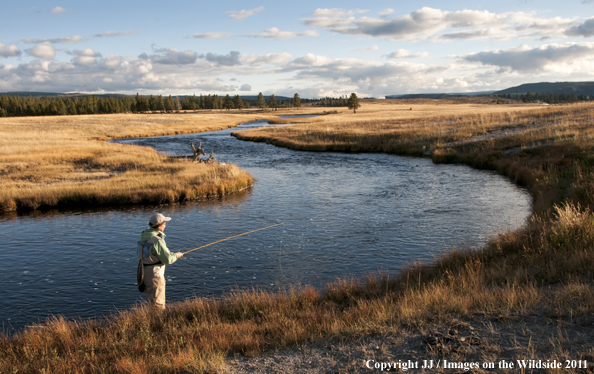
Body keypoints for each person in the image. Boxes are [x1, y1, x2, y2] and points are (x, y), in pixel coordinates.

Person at [138, 213, 184, 309]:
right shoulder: (157, 240)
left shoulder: (144, 237)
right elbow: (167, 260)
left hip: (144, 273)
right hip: (155, 275)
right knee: (158, 306)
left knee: (152, 303)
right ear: (159, 226)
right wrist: (177, 255)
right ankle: (158, 323)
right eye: (164, 223)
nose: (165, 225)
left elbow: (150, 254)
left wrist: (167, 254)